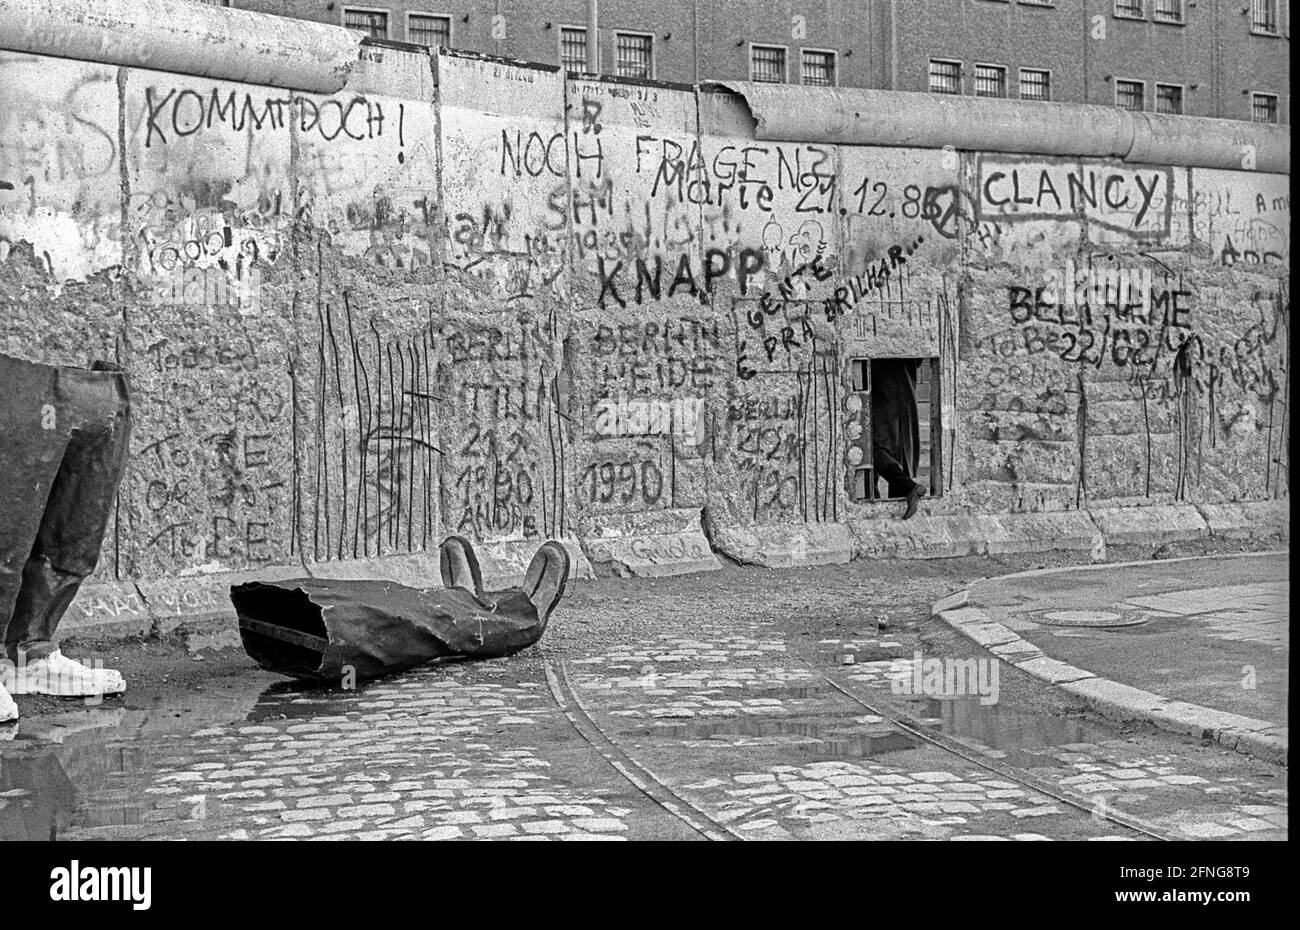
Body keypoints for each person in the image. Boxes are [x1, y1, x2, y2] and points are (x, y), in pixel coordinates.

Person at [0, 354, 131, 723]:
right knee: (7, 525)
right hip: (21, 369)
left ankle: (28, 655)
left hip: (101, 381)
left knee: (76, 528)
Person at [870, 358, 926, 520]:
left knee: (871, 449)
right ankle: (903, 494)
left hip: (884, 392)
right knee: (899, 450)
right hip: (903, 391)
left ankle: (907, 487)